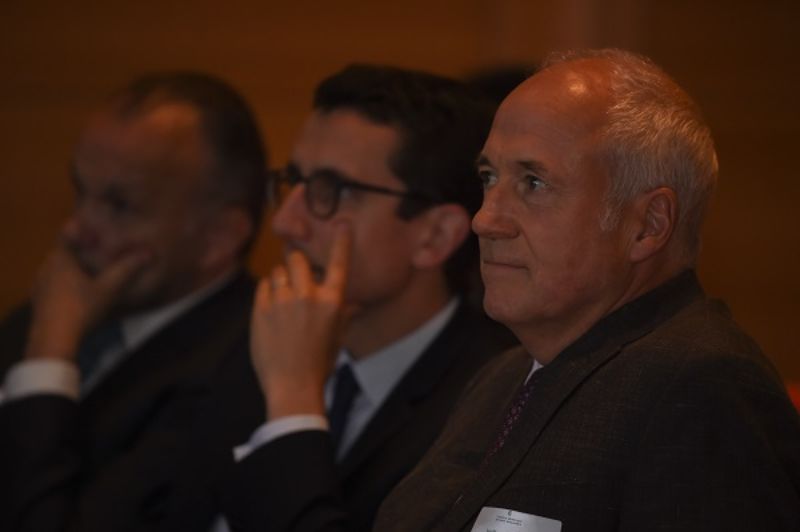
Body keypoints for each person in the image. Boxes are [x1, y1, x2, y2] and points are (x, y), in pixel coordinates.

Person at [375, 49, 800, 531]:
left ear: (647, 225)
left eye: (534, 183)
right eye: (489, 178)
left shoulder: (703, 387)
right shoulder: (502, 376)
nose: (485, 219)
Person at [163, 64, 517, 532]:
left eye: (333, 191)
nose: (286, 223)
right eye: (295, 180)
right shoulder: (252, 339)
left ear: (435, 236)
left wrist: (293, 397)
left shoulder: (493, 406)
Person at [0, 72, 267, 532]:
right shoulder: (57, 308)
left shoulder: (240, 371)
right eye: (80, 191)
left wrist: (49, 356)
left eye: (119, 206)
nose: (75, 229)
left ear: (219, 237)